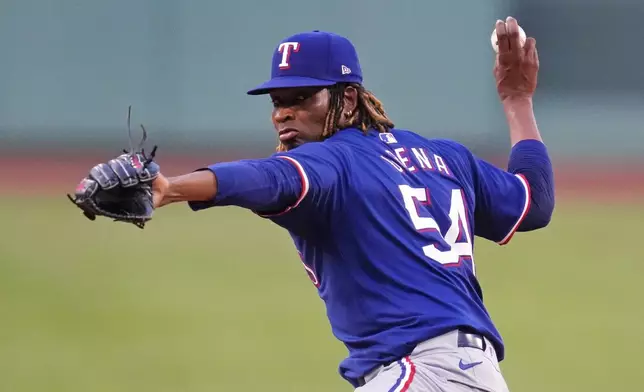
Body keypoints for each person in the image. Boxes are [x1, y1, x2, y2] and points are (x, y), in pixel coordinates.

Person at [129, 17, 554, 391]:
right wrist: (517, 101)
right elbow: (532, 200)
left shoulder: (333, 160)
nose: (283, 114)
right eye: (279, 101)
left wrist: (169, 188)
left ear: (347, 100)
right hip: (468, 374)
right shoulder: (446, 157)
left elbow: (265, 178)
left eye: (302, 97)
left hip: (425, 374)